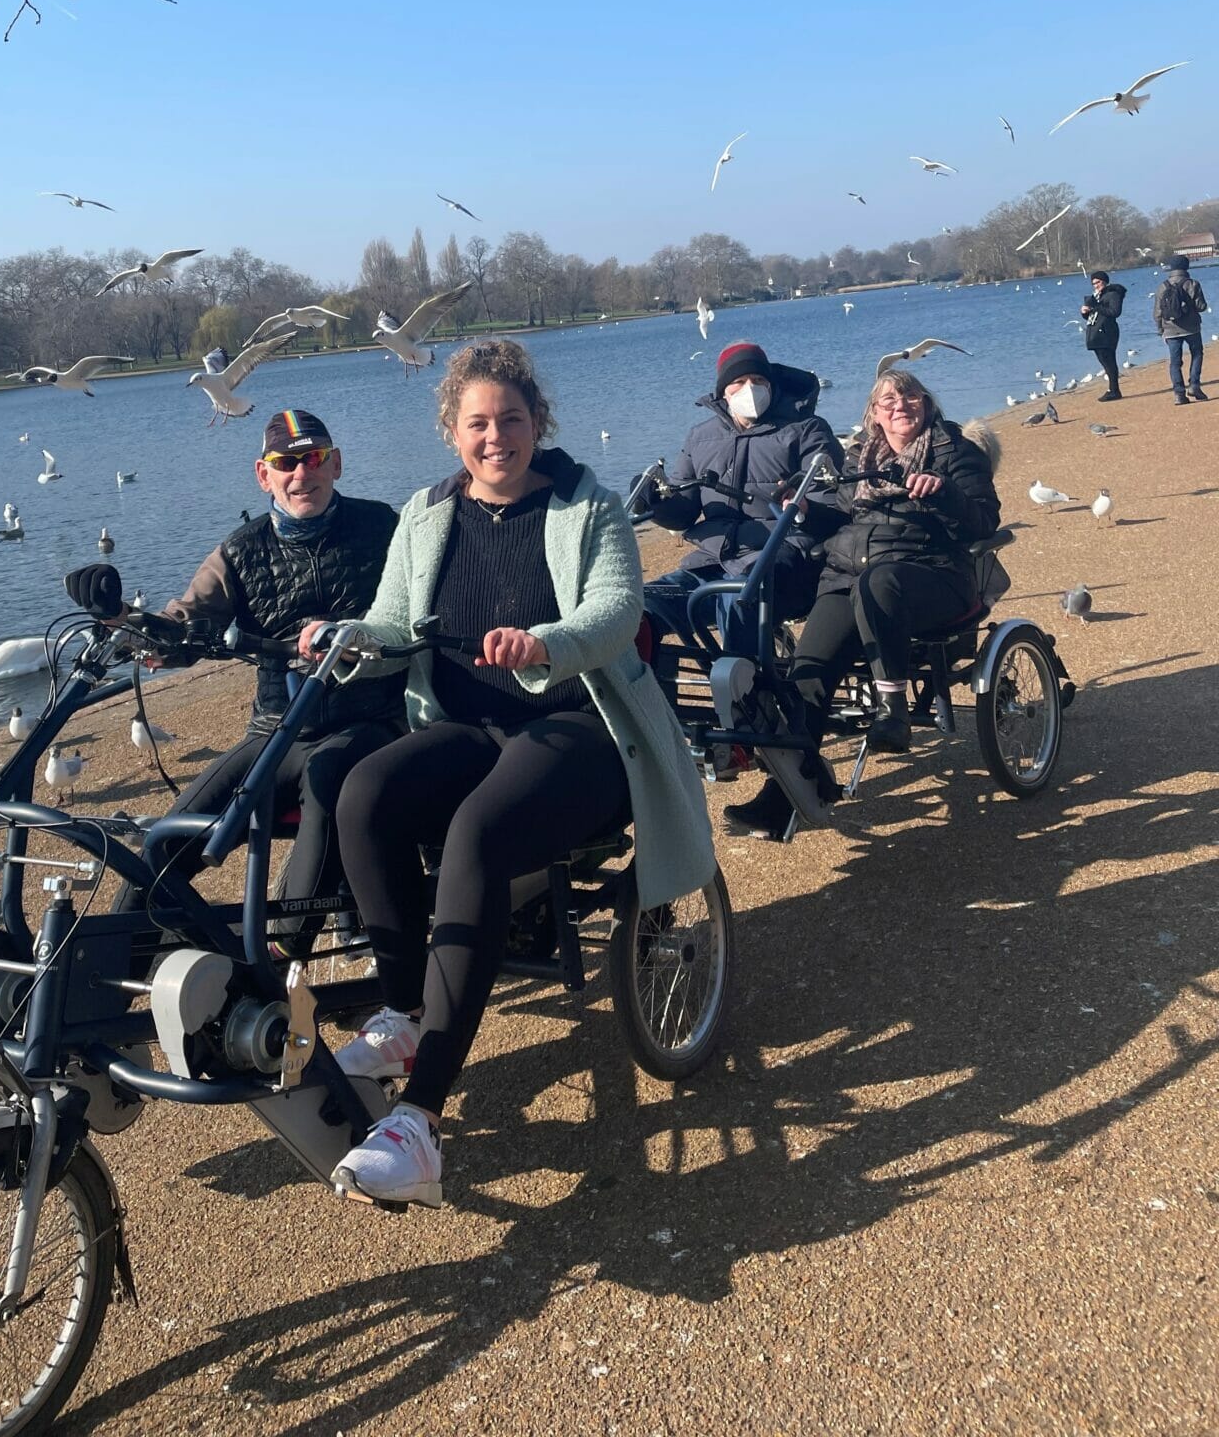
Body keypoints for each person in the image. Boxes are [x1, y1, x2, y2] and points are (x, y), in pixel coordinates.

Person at [299, 340, 715, 1207]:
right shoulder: (427, 512)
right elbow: (390, 620)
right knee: (362, 791)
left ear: (539, 423)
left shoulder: (586, 505)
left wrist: (545, 643)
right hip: (467, 724)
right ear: (453, 430)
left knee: (477, 834)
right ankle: (407, 1013)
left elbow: (614, 612)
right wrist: (346, 638)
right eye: (478, 423)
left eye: (512, 420)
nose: (497, 438)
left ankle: (419, 1121)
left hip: (579, 725)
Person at [120, 408, 403, 949]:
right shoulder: (238, 551)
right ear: (263, 474)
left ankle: (278, 953)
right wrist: (120, 621)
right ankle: (105, 977)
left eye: (314, 458)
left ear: (336, 464)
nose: (302, 474)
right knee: (165, 843)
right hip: (275, 730)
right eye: (286, 462)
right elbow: (180, 625)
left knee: (328, 782)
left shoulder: (383, 527)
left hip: (369, 721)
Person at [725, 370, 1001, 842]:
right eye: (888, 399)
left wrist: (945, 493)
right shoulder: (858, 457)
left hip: (932, 575)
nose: (900, 404)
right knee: (808, 672)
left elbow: (984, 520)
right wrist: (807, 509)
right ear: (874, 414)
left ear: (927, 403)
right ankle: (787, 794)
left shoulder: (956, 451)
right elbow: (840, 515)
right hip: (849, 577)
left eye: (910, 395)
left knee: (881, 580)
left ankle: (893, 712)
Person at [635, 341, 841, 655]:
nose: (750, 389)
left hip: (786, 561)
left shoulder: (806, 430)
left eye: (759, 381)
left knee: (740, 596)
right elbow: (683, 512)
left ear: (772, 386)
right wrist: (655, 502)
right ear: (723, 392)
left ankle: (747, 695)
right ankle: (654, 698)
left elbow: (835, 505)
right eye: (739, 382)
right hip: (711, 563)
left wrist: (804, 508)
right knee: (640, 606)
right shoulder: (700, 437)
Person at [1154, 254, 1207, 405]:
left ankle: (1179, 393)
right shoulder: (1193, 284)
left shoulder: (1162, 286)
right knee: (1197, 354)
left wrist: (1160, 330)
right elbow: (1201, 307)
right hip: (1192, 328)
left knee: (1175, 362)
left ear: (1171, 268)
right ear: (1186, 267)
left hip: (1170, 330)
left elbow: (1157, 313)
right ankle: (1195, 386)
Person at [1079, 270, 1126, 401]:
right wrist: (1085, 312)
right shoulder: (1098, 296)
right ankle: (1113, 389)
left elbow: (1114, 312)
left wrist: (1096, 306)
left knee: (1109, 362)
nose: (1096, 285)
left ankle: (1113, 390)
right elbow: (1094, 315)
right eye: (1093, 283)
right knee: (1105, 362)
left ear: (1104, 281)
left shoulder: (1113, 294)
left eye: (1098, 282)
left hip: (1107, 332)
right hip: (1096, 332)